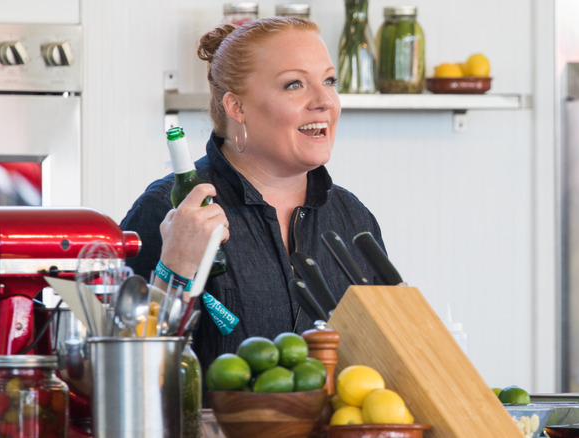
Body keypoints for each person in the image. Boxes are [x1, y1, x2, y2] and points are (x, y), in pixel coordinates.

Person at [119, 17, 385, 389]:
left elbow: (384, 362)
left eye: (328, 81)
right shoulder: (168, 210)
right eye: (294, 84)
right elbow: (120, 378)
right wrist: (174, 266)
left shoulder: (352, 219)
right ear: (237, 107)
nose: (325, 101)